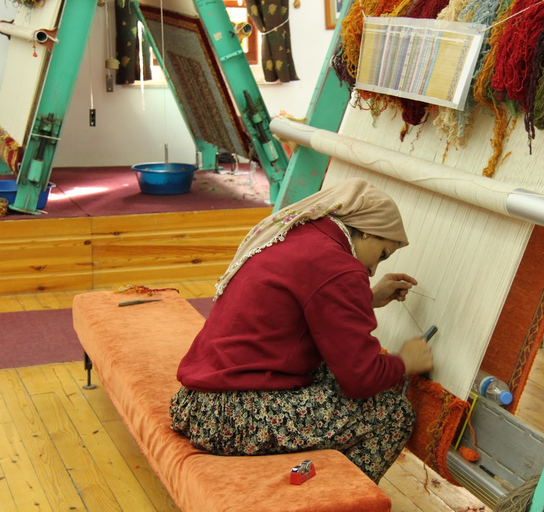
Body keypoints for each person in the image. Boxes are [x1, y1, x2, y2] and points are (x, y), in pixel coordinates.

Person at [170, 177, 434, 483]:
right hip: (231, 418)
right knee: (393, 412)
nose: (373, 269)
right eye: (382, 254)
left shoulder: (297, 234)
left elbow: (300, 305)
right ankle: (332, 502)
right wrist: (404, 361)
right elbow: (360, 377)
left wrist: (367, 298)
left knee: (330, 372)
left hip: (196, 404)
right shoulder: (338, 266)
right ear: (365, 230)